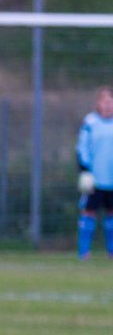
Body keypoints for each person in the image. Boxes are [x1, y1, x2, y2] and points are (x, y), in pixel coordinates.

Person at [75, 86, 113, 260]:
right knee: (88, 212)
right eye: (105, 102)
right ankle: (84, 252)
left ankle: (111, 251)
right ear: (98, 103)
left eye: (111, 102)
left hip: (111, 179)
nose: (108, 105)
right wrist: (84, 171)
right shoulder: (90, 122)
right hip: (95, 178)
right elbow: (82, 147)